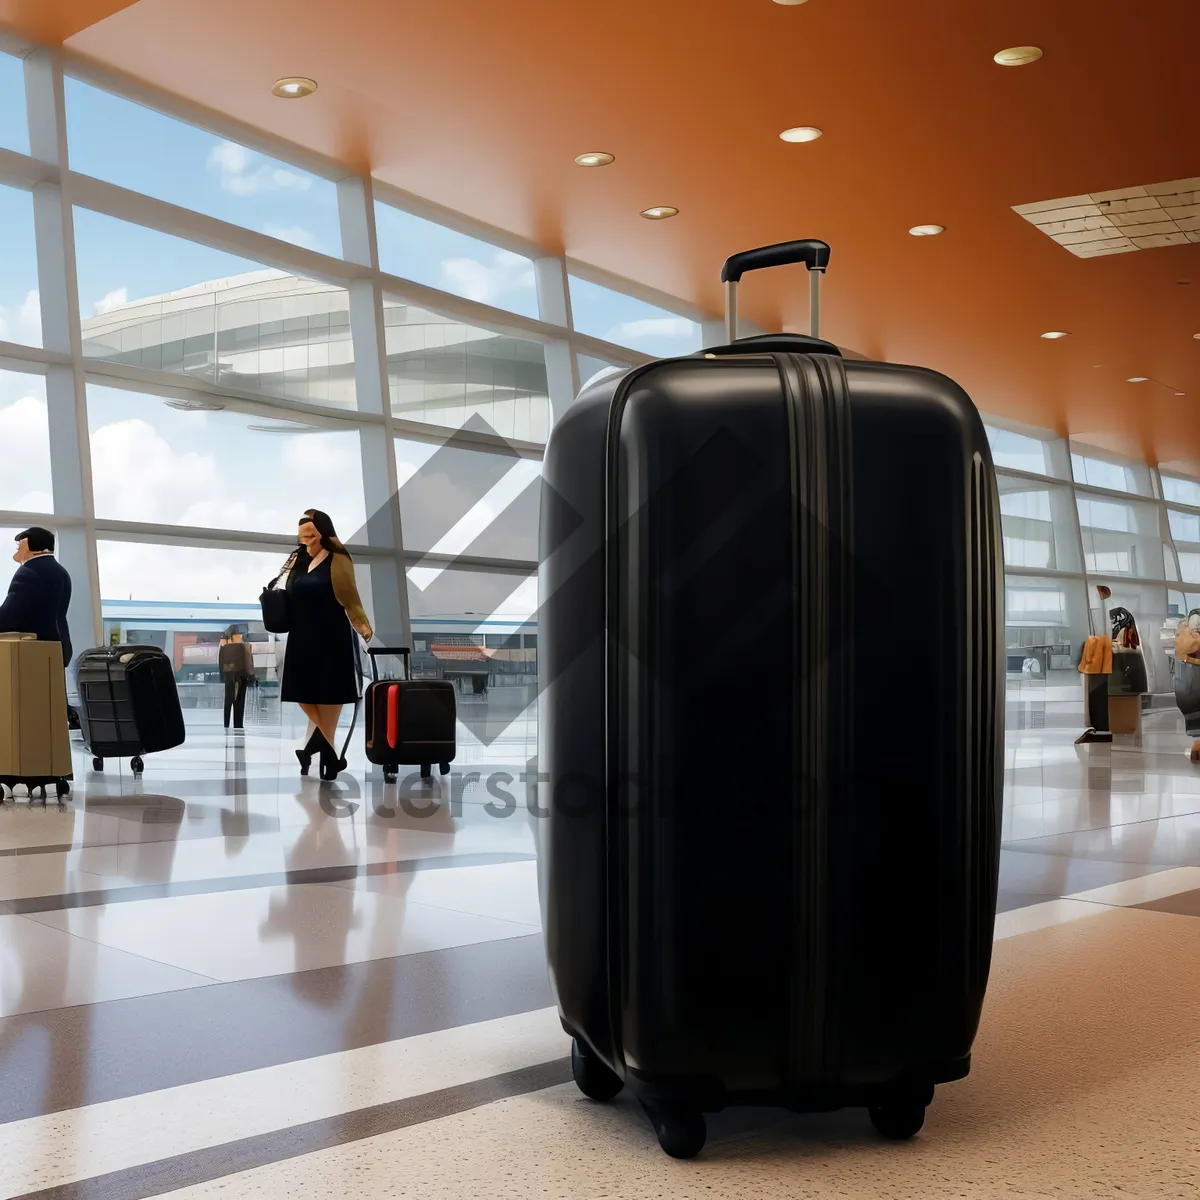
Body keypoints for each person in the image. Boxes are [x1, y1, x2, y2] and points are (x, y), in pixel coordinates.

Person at [280, 510, 372, 780]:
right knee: (302, 692)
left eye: (310, 533)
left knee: (330, 694)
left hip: (332, 634)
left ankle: (323, 755)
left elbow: (350, 596)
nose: (306, 539)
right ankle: (323, 751)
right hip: (301, 635)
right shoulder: (297, 560)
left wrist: (363, 626)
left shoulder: (338, 558)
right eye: (302, 535)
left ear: (322, 531)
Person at [218, 627, 255, 731]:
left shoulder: (224, 647)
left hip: (229, 674)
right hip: (242, 673)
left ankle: (226, 723)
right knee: (239, 699)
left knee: (228, 699)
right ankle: (238, 723)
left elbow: (221, 663)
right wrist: (252, 675)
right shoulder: (244, 647)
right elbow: (248, 661)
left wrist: (222, 677)